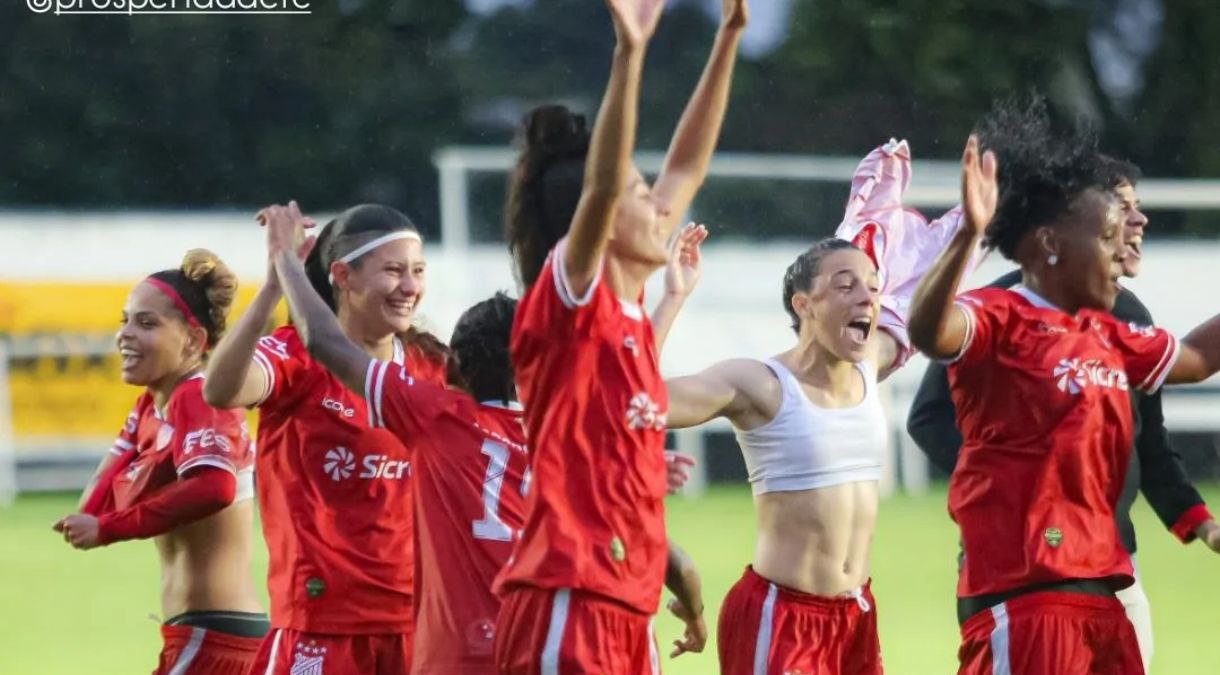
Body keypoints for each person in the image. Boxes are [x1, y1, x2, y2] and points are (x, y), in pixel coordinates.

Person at [257, 203, 708, 672]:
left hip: (460, 652)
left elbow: (325, 342)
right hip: (553, 646)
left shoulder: (439, 419)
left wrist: (284, 260)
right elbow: (627, 387)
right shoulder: (575, 441)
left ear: (453, 370)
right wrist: (672, 297)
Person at [907, 101, 1220, 674]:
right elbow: (929, 331)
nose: (1115, 252)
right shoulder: (998, 315)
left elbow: (1198, 359)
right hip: (1028, 595)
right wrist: (965, 239)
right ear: (1049, 244)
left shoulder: (1108, 331)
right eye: (1104, 236)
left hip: (1105, 590)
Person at [492, 0, 747, 671]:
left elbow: (689, 165)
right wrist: (628, 56)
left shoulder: (632, 317)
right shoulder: (568, 296)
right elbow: (604, 181)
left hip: (627, 604)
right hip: (567, 599)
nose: (661, 204)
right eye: (643, 193)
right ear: (599, 218)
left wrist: (728, 40)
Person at [203, 202, 447, 674]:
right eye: (394, 271)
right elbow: (220, 388)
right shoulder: (294, 356)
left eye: (418, 270)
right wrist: (276, 281)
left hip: (420, 622)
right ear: (343, 275)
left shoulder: (434, 367)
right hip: (321, 623)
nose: (411, 286)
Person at [55, 250, 266, 675]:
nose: (125, 335)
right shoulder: (158, 404)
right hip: (200, 634)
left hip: (217, 637)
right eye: (125, 320)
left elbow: (215, 487)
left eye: (146, 323)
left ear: (194, 340)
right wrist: (137, 429)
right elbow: (92, 509)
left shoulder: (201, 395)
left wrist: (108, 530)